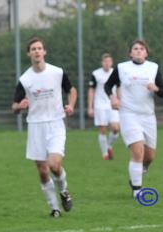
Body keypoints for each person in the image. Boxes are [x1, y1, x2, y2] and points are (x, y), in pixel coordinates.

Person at [12, 37, 76, 218]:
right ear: (28, 54)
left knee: (54, 165)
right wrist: (19, 106)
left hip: (56, 123)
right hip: (35, 126)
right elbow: (14, 107)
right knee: (42, 170)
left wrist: (71, 105)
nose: (37, 51)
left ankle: (64, 190)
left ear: (44, 52)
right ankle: (54, 208)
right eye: (33, 49)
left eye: (39, 48)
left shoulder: (57, 72)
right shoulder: (25, 80)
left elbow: (71, 90)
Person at [104, 39, 163, 197]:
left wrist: (156, 88)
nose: (138, 51)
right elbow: (107, 85)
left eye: (141, 48)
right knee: (137, 151)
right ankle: (137, 190)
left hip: (148, 116)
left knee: (149, 156)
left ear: (146, 52)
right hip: (129, 114)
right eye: (135, 48)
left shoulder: (153, 68)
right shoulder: (122, 68)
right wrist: (113, 97)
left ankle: (141, 170)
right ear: (130, 53)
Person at [87, 53, 120, 160]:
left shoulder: (116, 73)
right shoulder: (96, 74)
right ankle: (105, 154)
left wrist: (119, 101)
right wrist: (90, 107)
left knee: (115, 128)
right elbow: (91, 90)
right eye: (105, 61)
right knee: (102, 130)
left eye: (109, 61)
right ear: (102, 63)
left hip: (112, 104)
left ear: (112, 62)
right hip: (100, 105)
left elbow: (119, 88)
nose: (107, 63)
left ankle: (109, 146)